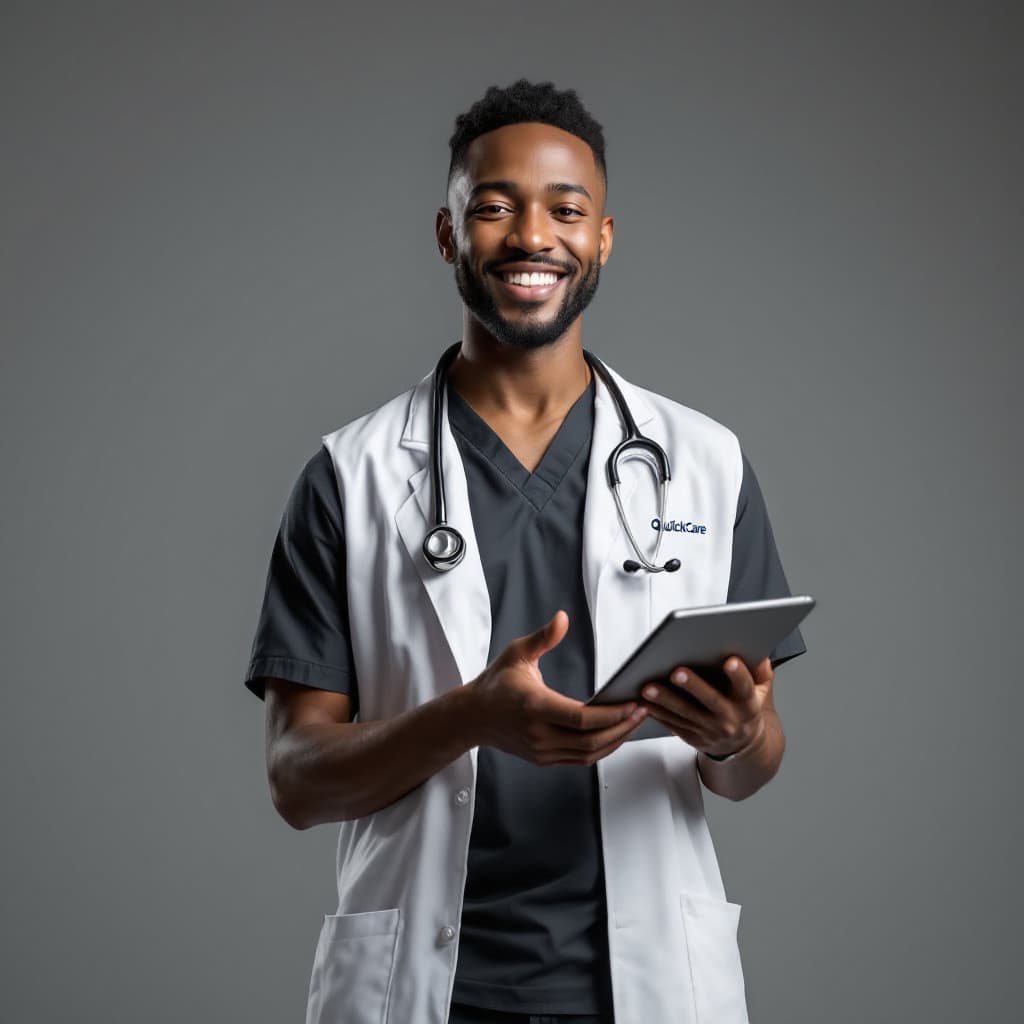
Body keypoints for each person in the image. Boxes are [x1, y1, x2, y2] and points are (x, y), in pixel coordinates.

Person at [244, 79, 806, 1024]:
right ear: (447, 233)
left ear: (604, 238)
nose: (532, 235)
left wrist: (739, 735)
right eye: (495, 207)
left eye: (566, 210)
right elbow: (296, 780)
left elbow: (751, 765)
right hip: (425, 993)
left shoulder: (704, 461)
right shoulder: (351, 475)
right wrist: (470, 717)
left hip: (649, 985)